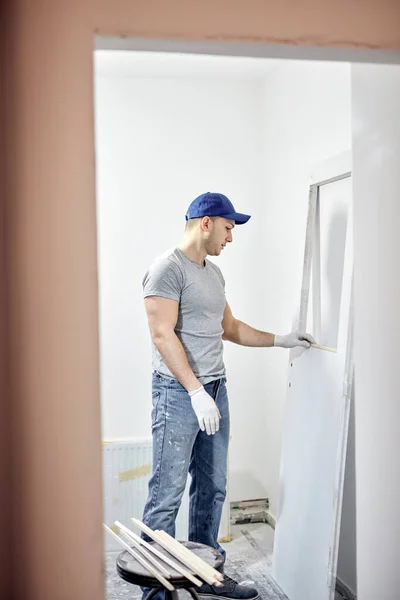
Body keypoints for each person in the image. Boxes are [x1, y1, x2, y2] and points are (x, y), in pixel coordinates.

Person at [141, 192, 314, 600]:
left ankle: (206, 574)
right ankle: (156, 593)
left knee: (213, 487)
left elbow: (231, 328)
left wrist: (282, 340)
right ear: (206, 222)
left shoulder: (213, 274)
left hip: (215, 391)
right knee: (166, 495)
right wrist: (195, 391)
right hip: (178, 394)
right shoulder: (166, 269)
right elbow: (162, 334)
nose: (231, 237)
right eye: (229, 227)